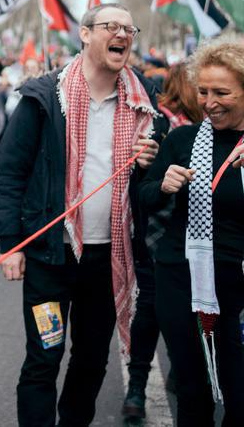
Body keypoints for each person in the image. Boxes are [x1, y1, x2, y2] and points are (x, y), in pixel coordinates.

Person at [0, 4, 164, 427]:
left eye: (129, 28)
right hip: (52, 256)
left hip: (108, 260)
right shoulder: (45, 97)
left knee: (90, 361)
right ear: (85, 35)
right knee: (43, 359)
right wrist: (10, 246)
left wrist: (151, 166)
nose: (122, 34)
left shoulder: (143, 100)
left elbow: (149, 190)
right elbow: (9, 173)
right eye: (111, 26)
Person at [137, 37, 244, 426]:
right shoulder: (183, 139)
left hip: (236, 284)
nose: (209, 102)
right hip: (180, 277)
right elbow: (145, 196)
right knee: (192, 389)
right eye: (203, 92)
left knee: (239, 389)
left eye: (222, 93)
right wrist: (161, 183)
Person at [122, 59, 205, 418]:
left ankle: (181, 369)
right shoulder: (158, 123)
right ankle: (137, 387)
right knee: (152, 307)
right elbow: (141, 186)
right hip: (156, 234)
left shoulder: (217, 130)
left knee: (191, 309)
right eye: (203, 88)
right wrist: (148, 166)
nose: (210, 97)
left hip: (199, 241)